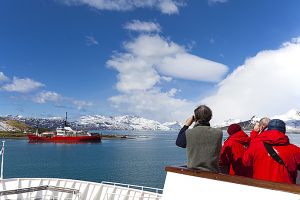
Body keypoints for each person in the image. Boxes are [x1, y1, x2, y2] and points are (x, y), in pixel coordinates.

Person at [243, 119, 300, 184]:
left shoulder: (255, 146)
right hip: (285, 190)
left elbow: (246, 162)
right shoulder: (295, 150)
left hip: (260, 187)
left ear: (268, 130)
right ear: (284, 131)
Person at [176, 105, 223, 172]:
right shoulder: (219, 133)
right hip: (213, 174)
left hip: (193, 173)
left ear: (195, 118)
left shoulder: (189, 133)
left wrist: (186, 125)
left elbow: (179, 143)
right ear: (210, 117)